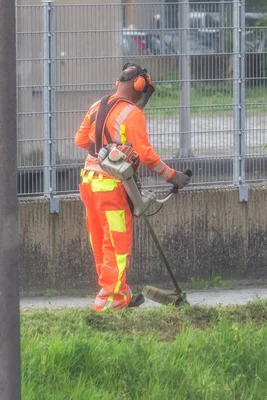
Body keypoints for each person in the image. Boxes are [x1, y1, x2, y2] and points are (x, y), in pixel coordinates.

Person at [74, 62, 191, 312]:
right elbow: (146, 156)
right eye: (143, 91)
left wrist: (106, 152)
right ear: (139, 86)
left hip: (88, 184)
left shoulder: (97, 106)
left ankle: (119, 292)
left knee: (101, 241)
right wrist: (173, 176)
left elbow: (81, 140)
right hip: (111, 187)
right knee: (117, 246)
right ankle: (111, 304)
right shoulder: (132, 114)